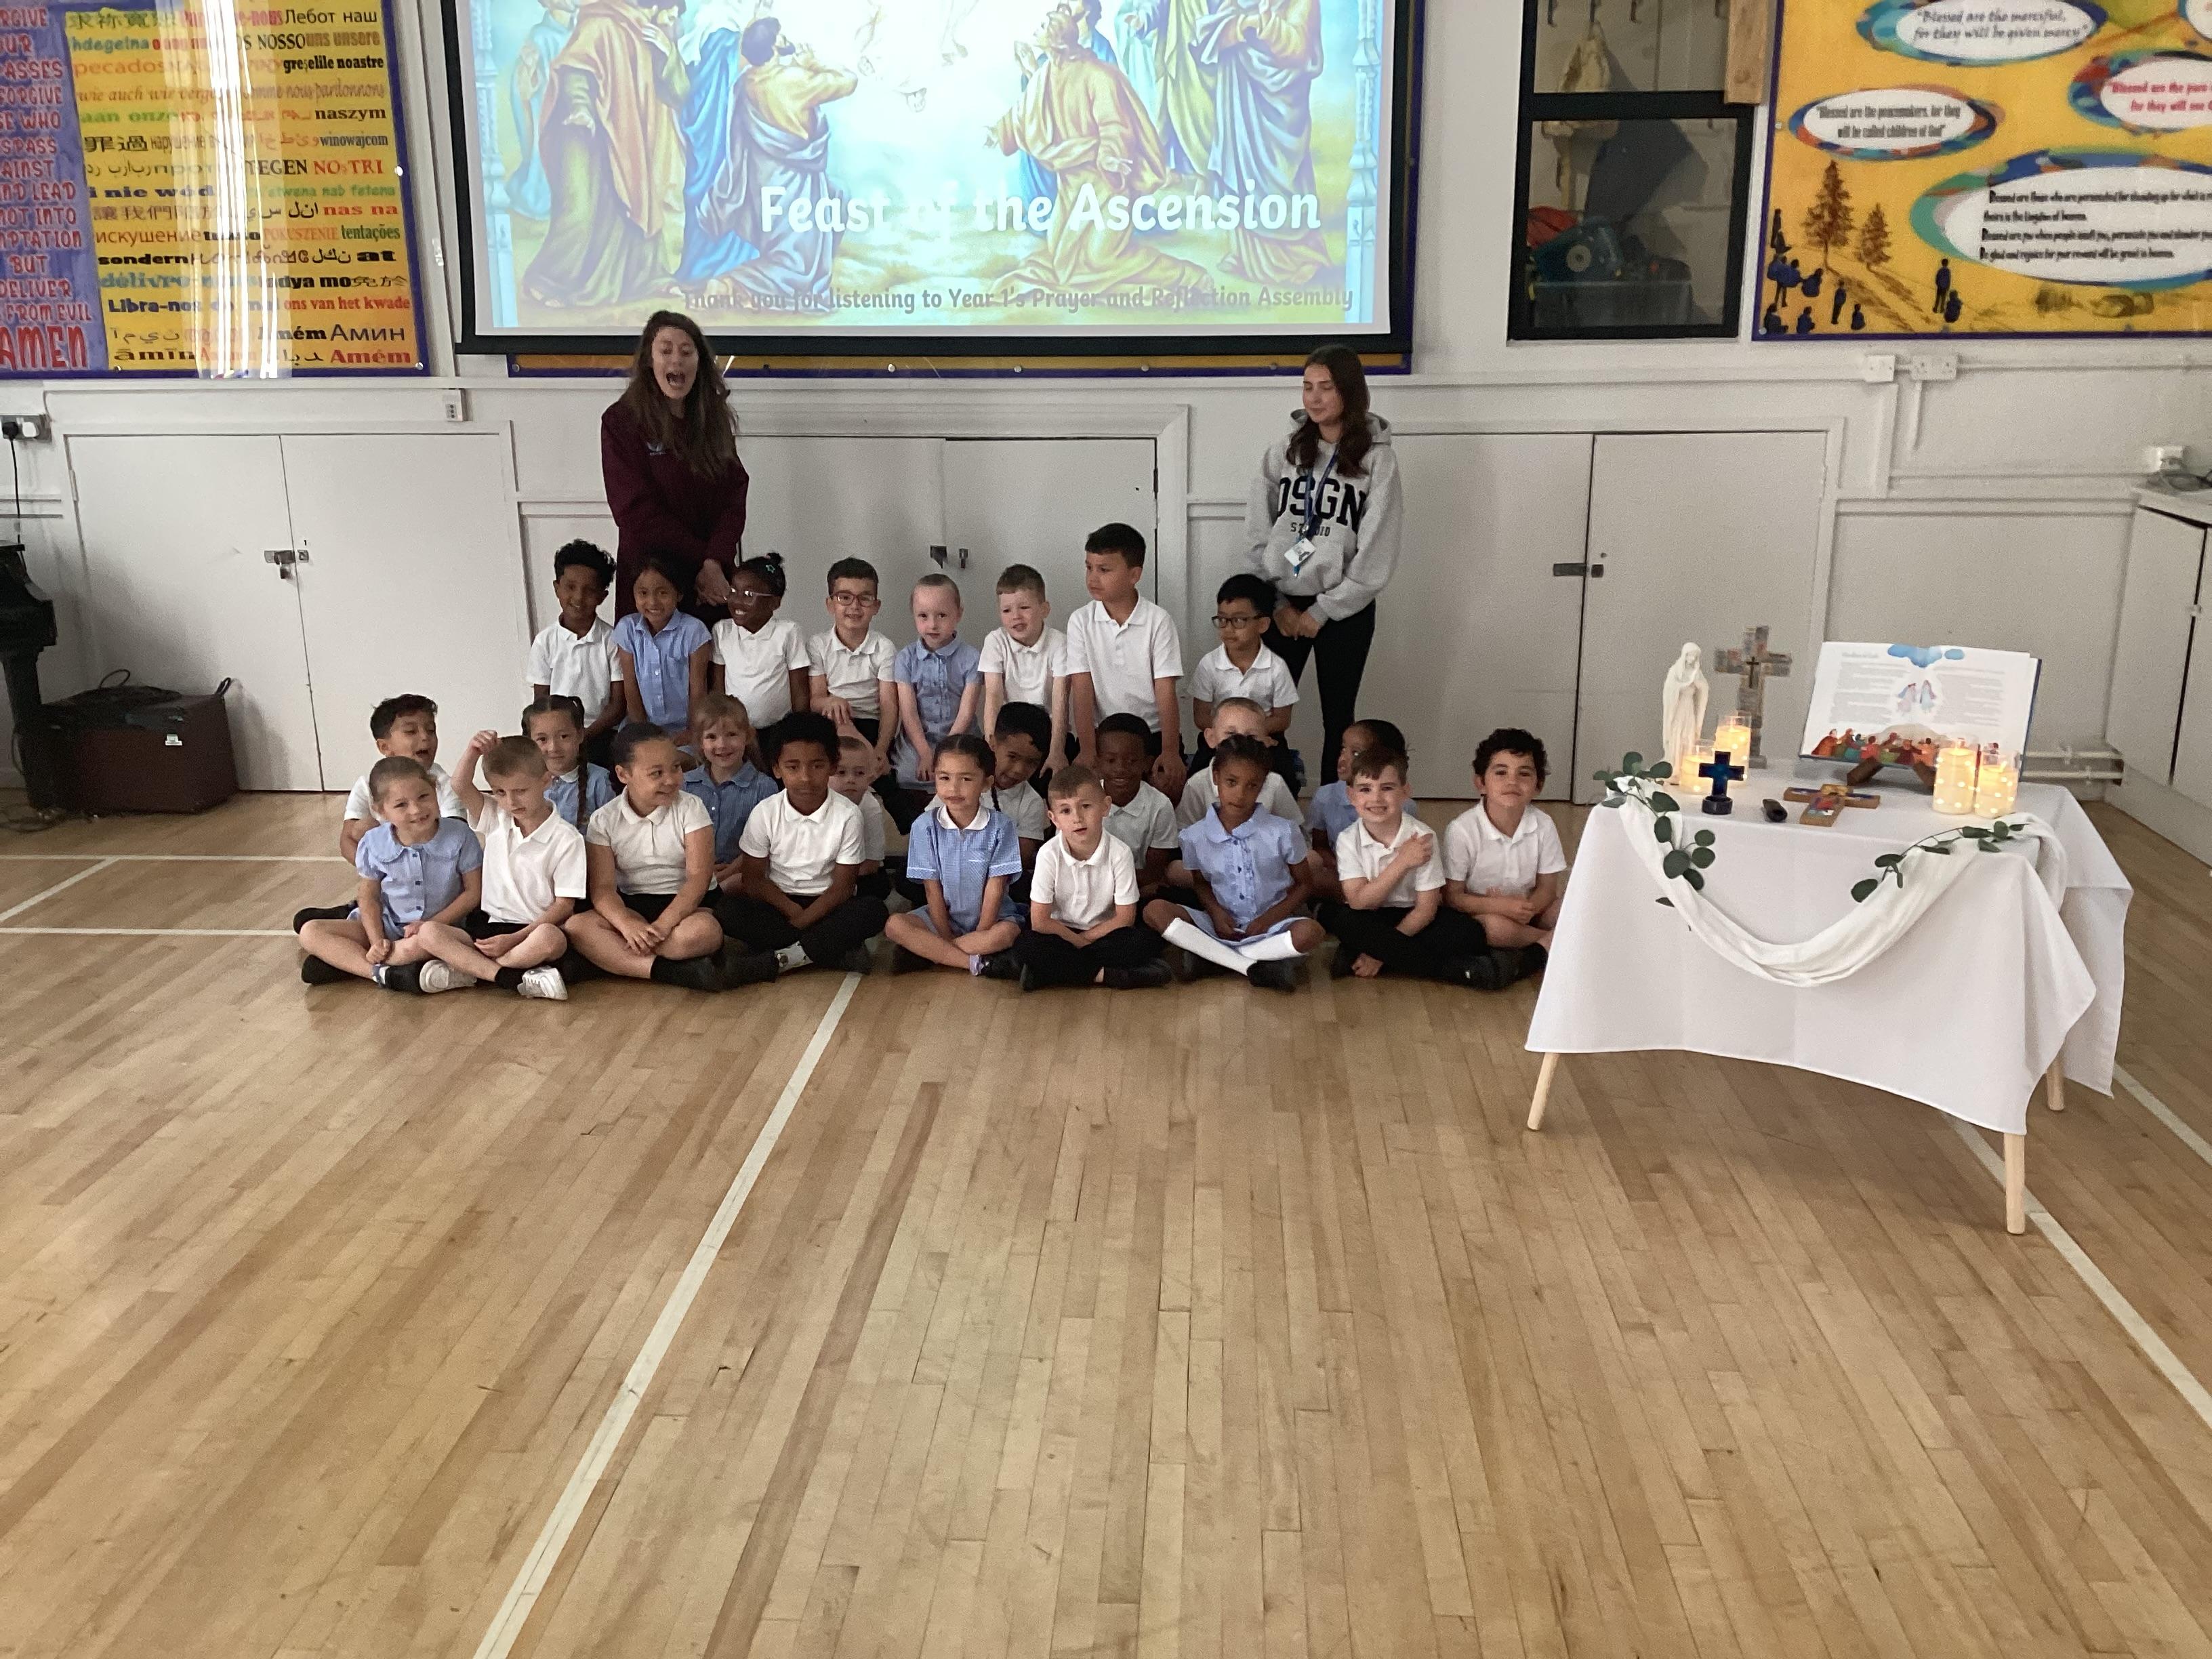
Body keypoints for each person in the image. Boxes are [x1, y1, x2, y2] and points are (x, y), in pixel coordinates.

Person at [1246, 345, 1404, 775]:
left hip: (1345, 608)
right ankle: (1271, 799)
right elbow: (1259, 529)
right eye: (1307, 387)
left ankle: (1334, 808)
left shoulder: (1378, 459)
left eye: (1326, 387)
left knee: (1339, 719)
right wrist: (1277, 602)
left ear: (1349, 391)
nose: (1314, 398)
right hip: (1283, 605)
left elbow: (1377, 547)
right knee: (1267, 712)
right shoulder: (1284, 451)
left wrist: (1324, 610)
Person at [987, 3, 1204, 299]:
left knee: (1102, 258)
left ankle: (1186, 277)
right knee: (1065, 264)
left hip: (1105, 184)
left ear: (1057, 41)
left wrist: (1110, 155)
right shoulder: (1046, 74)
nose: (1036, 30)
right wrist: (998, 132)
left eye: (1043, 27)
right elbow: (1022, 115)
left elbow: (1115, 124)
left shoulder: (1099, 75)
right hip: (1072, 186)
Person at [522, 0, 688, 309]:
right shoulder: (599, 23)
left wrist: (668, 52)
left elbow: (679, 93)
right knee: (581, 211)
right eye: (671, 10)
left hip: (632, 137)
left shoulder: (649, 32)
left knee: (637, 202)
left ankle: (647, 278)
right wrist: (581, 107)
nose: (674, 16)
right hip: (589, 137)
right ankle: (548, 280)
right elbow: (576, 69)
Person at [678, 16, 858, 302]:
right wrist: (812, 63)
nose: (785, 39)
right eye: (780, 36)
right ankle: (729, 285)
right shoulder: (792, 80)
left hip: (762, 181)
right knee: (796, 267)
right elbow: (848, 81)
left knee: (838, 196)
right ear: (774, 47)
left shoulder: (746, 82)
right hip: (794, 185)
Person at [602, 312, 748, 621]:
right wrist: (704, 560)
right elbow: (635, 512)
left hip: (709, 583)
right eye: (666, 351)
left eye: (686, 351)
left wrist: (715, 561)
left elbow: (734, 495)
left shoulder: (712, 418)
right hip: (652, 583)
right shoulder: (622, 421)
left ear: (700, 361)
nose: (676, 360)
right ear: (649, 360)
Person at [723, 710, 890, 981]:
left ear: (833, 765)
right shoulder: (765, 812)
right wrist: (793, 912)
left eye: (817, 766)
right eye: (793, 767)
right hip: (779, 903)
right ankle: (829, 951)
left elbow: (843, 887)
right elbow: (753, 880)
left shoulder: (847, 815)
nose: (805, 777)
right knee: (727, 910)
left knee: (873, 911)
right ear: (777, 769)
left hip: (828, 905)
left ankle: (781, 959)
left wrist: (804, 919)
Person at [1145, 736, 1321, 991]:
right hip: (1220, 927)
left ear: (1263, 785)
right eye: (1231, 782)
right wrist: (1216, 914)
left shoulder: (1283, 831)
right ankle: (1252, 965)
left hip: (1271, 926)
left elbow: (1305, 884)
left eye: (1252, 786)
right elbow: (1200, 883)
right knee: (1155, 911)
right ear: (1216, 777)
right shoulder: (1194, 836)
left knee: (1310, 932)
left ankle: (1212, 958)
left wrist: (1269, 918)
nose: (1240, 794)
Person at [421, 733, 584, 1000]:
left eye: (520, 791)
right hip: (489, 928)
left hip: (533, 930)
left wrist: (515, 938)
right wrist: (473, 750)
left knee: (551, 939)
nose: (511, 802)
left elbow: (564, 906)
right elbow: (459, 785)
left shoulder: (568, 839)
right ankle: (509, 976)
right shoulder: (496, 817)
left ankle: (473, 970)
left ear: (546, 781)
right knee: (429, 932)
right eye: (500, 792)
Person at [298, 757, 484, 992]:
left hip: (437, 931)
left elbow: (473, 892)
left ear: (435, 790)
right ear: (380, 811)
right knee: (310, 932)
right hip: (387, 925)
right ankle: (382, 973)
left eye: (423, 796)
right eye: (401, 805)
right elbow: (368, 897)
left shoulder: (460, 835)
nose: (416, 810)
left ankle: (350, 963)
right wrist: (377, 941)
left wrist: (430, 924)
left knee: (417, 945)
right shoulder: (374, 842)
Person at [567, 722, 726, 990]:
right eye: (657, 773)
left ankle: (617, 960)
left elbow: (698, 879)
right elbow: (603, 889)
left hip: (688, 907)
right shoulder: (604, 820)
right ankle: (670, 972)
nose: (671, 780)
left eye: (676, 768)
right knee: (577, 927)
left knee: (703, 932)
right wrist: (627, 924)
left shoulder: (691, 808)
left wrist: (663, 926)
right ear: (623, 774)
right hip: (634, 905)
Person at [1194, 0, 1329, 287]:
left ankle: (1300, 255)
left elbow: (1298, 48)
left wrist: (1267, 25)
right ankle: (1245, 252)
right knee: (1240, 167)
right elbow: (1212, 35)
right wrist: (1242, 24)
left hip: (1279, 106)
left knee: (1281, 176)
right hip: (1238, 99)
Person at [1317, 744, 1473, 981]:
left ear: (1405, 792)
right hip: (1370, 915)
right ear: (1352, 796)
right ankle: (1456, 972)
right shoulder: (1348, 839)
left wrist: (1380, 954)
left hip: (1412, 917)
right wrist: (1402, 862)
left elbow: (1426, 910)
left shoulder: (1423, 836)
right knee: (1342, 919)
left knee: (1468, 933)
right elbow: (1359, 902)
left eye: (1387, 788)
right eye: (1365, 789)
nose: (1376, 798)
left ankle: (1367, 957)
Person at [1015, 765, 1171, 991]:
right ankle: (1107, 976)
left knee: (1144, 942)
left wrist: (1085, 941)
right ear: (1053, 818)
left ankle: (1050, 973)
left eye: (1086, 806)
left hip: (1104, 933)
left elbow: (1125, 918)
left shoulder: (1120, 853)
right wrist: (1078, 941)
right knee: (1026, 944)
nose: (1077, 818)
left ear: (1105, 807)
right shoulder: (1048, 854)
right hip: (1060, 932)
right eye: (1066, 811)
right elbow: (1041, 921)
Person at [884, 733, 1025, 978]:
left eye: (966, 779)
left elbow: (996, 887)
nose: (953, 788)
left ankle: (935, 953)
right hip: (943, 919)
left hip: (993, 919)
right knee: (895, 925)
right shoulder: (924, 826)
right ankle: (978, 964)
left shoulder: (1001, 827)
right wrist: (945, 933)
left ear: (986, 783)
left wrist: (981, 933)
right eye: (945, 778)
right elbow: (932, 889)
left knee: (1005, 934)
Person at [1440, 728, 1567, 989]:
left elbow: (1547, 888)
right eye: (1501, 773)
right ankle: (1555, 942)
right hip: (1485, 911)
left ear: (1538, 785)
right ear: (1481, 783)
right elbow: (1452, 896)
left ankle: (1542, 941)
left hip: (1530, 908)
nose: (1512, 782)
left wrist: (1527, 909)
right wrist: (1501, 907)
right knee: (1494, 929)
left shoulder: (1544, 824)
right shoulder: (1462, 830)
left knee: (1567, 907)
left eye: (1524, 774)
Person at [1067, 523, 1185, 796]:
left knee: (1167, 790)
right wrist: (1088, 749)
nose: (1093, 578)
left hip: (1151, 734)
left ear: (1134, 575)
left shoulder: (1158, 621)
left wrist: (1170, 751)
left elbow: (1166, 691)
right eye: (1089, 568)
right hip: (1103, 736)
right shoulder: (1081, 621)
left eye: (1104, 570)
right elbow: (1082, 688)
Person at [890, 574, 983, 825]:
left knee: (967, 773)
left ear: (959, 614)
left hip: (960, 736)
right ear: (914, 615)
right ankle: (921, 826)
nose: (932, 624)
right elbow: (909, 713)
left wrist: (944, 753)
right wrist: (924, 752)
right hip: (918, 739)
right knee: (908, 773)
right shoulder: (906, 658)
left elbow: (966, 713)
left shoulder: (971, 658)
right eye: (923, 616)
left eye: (942, 615)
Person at [529, 539, 624, 768]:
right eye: (570, 587)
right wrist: (561, 737)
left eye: (589, 590)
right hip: (557, 737)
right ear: (557, 588)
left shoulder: (613, 640)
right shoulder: (545, 642)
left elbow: (618, 705)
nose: (579, 597)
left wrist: (584, 736)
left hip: (600, 734)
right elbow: (541, 701)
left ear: (602, 596)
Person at [336, 695, 463, 863]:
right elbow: (347, 840)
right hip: (387, 871)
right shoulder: (367, 786)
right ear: (385, 747)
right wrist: (376, 871)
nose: (425, 737)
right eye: (411, 731)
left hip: (438, 866)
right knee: (360, 828)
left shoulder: (443, 783)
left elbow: (459, 835)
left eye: (431, 730)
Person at [1188, 575, 1296, 771]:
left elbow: (1282, 719)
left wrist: (1251, 733)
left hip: (1262, 738)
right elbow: (1201, 716)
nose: (1228, 629)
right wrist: (1231, 733)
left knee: (1284, 775)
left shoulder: (1277, 667)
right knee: (1198, 774)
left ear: (1262, 624)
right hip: (1221, 737)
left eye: (1238, 620)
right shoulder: (1209, 664)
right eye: (1222, 620)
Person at [807, 556, 899, 779]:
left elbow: (889, 705)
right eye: (845, 598)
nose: (855, 607)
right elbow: (816, 699)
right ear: (830, 604)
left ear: (876, 606)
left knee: (881, 780)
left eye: (865, 599)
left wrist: (881, 749)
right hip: (832, 719)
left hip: (870, 723)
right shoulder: (818, 644)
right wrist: (829, 701)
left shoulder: (884, 647)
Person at [684, 692, 779, 903]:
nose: (722, 745)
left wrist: (721, 877)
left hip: (739, 876)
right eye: (711, 737)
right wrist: (701, 874)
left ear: (748, 736)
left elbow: (763, 846)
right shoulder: (685, 785)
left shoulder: (764, 787)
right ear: (700, 742)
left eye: (731, 735)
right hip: (691, 876)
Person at [980, 564, 1069, 776]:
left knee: (1053, 777)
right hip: (1009, 733)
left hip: (1046, 731)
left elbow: (1060, 701)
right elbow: (993, 697)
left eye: (1024, 608)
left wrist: (1057, 751)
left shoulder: (1060, 643)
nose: (1016, 617)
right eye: (1007, 610)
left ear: (1044, 609)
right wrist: (991, 747)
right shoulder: (995, 641)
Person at [612, 555, 712, 735]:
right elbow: (630, 686)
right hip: (642, 726)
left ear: (679, 594)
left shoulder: (694, 631)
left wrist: (692, 731)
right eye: (643, 593)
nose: (652, 602)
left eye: (663, 593)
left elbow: (698, 689)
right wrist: (643, 733)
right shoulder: (627, 629)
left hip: (686, 728)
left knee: (685, 754)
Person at [712, 552, 810, 730]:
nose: (737, 601)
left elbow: (800, 691)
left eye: (748, 594)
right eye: (733, 591)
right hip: (736, 730)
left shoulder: (788, 632)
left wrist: (800, 730)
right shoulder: (722, 631)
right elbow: (718, 688)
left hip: (779, 729)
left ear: (774, 603)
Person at [1176, 698, 1298, 829]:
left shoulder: (1275, 783)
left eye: (1251, 737)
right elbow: (1184, 831)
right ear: (1211, 738)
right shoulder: (1197, 784)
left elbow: (1294, 830)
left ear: (1266, 743)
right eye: (1231, 734)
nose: (1240, 743)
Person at [1096, 712, 1180, 896]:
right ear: (1098, 762)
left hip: (1137, 888)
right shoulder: (1082, 802)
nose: (1120, 769)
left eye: (1132, 761)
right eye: (1111, 760)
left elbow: (1153, 872)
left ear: (1147, 763)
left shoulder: (1160, 806)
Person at [525, 693, 619, 830]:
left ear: (580, 735)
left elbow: (613, 832)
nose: (553, 748)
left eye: (564, 736)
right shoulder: (526, 781)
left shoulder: (599, 782)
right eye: (542, 739)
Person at [983, 699, 1052, 872]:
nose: (1019, 770)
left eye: (1032, 762)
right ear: (993, 743)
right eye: (1012, 757)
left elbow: (1020, 859)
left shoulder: (1032, 802)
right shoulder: (963, 783)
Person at [831, 734, 893, 896]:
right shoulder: (815, 803)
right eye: (841, 772)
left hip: (857, 873)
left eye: (859, 773)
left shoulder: (869, 806)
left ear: (869, 777)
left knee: (878, 886)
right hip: (820, 876)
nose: (850, 779)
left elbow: (871, 864)